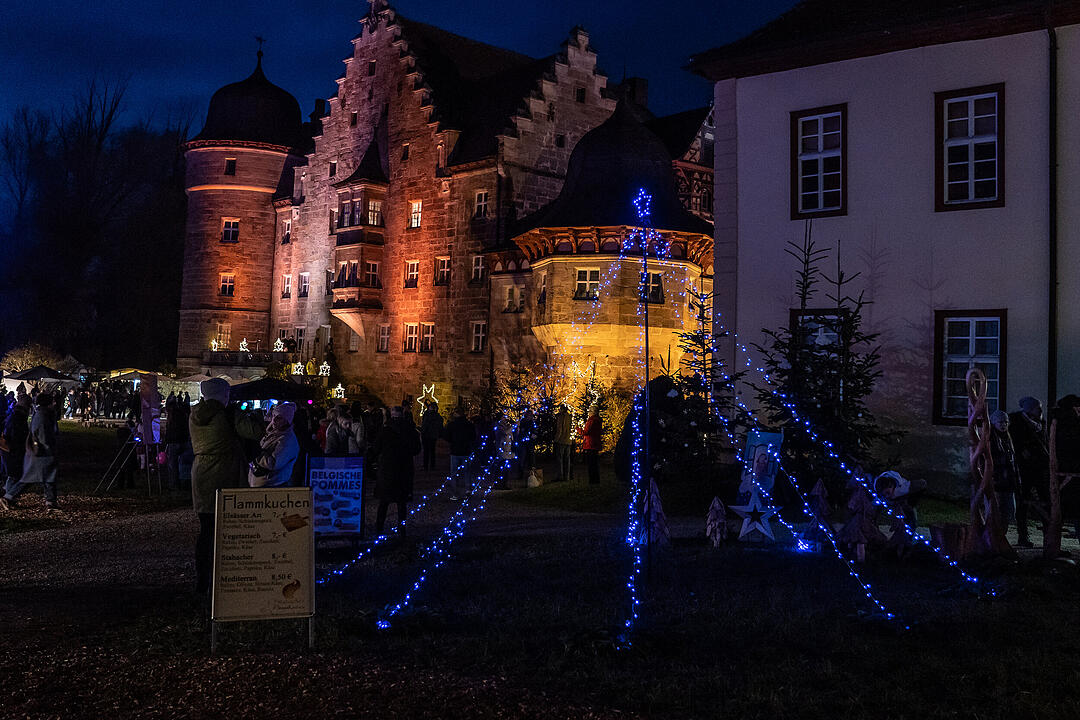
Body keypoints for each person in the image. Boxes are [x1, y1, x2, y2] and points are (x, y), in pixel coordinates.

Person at [188, 378, 245, 594]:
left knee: (206, 529)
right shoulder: (227, 414)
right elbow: (250, 431)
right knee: (224, 530)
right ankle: (223, 577)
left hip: (201, 470)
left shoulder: (195, 415)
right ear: (224, 395)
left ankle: (202, 580)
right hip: (224, 471)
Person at [2, 393, 60, 510]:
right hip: (41, 452)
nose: (54, 403)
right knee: (33, 478)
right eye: (52, 401)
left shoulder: (41, 414)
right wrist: (49, 448)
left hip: (38, 452)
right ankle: (9, 496)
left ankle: (50, 501)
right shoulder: (42, 415)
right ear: (47, 403)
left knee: (46, 477)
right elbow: (43, 436)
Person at [373, 406, 421, 535]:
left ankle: (379, 528)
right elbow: (417, 449)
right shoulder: (411, 430)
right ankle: (401, 530)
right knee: (402, 503)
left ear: (392, 415)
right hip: (404, 468)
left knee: (384, 502)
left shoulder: (385, 430)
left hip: (387, 468)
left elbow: (376, 448)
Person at [1009, 396, 1047, 547]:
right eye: (1037, 407)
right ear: (1029, 409)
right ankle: (1022, 535)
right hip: (1024, 469)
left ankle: (1047, 536)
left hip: (1040, 468)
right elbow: (1014, 443)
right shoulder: (1016, 422)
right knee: (1022, 502)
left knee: (1045, 501)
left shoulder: (1041, 423)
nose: (1040, 410)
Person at [248, 402, 300, 487]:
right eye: (274, 416)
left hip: (272, 486)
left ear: (287, 420)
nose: (274, 420)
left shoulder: (287, 440)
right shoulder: (273, 434)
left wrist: (257, 453)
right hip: (262, 484)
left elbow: (273, 463)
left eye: (279, 417)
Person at [0, 395, 32, 511]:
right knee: (18, 475)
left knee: (12, 475)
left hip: (9, 449)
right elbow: (15, 434)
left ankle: (8, 498)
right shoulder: (18, 417)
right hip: (12, 449)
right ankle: (8, 497)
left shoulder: (14, 415)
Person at [582, 404, 602, 485]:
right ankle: (596, 480)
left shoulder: (591, 420)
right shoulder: (598, 420)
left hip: (590, 444)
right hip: (595, 444)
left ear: (593, 412)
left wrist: (578, 429)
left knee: (591, 464)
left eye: (590, 411)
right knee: (594, 463)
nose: (588, 413)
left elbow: (586, 432)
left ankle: (592, 481)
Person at [420, 401, 443, 471]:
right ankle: (428, 465)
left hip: (430, 435)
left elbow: (425, 424)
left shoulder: (433, 415)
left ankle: (428, 465)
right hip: (428, 435)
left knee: (429, 451)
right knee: (429, 451)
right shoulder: (429, 415)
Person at [553, 404, 572, 482]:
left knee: (560, 459)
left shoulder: (561, 417)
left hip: (561, 440)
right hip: (568, 441)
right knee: (567, 458)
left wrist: (556, 439)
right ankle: (566, 476)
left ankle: (560, 476)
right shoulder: (570, 417)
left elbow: (559, 429)